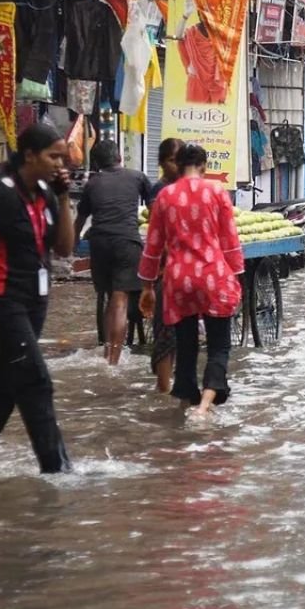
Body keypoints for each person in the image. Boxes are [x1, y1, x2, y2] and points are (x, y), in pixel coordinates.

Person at [0, 123, 75, 474]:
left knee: (5, 385)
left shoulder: (45, 194)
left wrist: (64, 196)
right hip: (1, 301)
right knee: (36, 380)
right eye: (53, 156)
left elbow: (64, 247)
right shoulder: (0, 194)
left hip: (34, 302)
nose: (59, 163)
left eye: (62, 157)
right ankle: (58, 469)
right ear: (30, 155)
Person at [138, 144, 245, 417]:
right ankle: (205, 406)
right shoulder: (217, 193)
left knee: (186, 346)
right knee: (219, 345)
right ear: (204, 166)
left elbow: (153, 247)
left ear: (179, 165)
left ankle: (186, 403)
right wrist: (235, 277)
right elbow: (229, 240)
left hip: (177, 280)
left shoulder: (165, 196)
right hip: (212, 275)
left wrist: (148, 286)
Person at [75, 140, 152, 366]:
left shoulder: (93, 183)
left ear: (97, 163)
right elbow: (155, 210)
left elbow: (80, 219)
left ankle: (109, 351)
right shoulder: (138, 177)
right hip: (127, 243)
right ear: (119, 156)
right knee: (120, 300)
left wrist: (71, 246)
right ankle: (113, 362)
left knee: (110, 298)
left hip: (99, 244)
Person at [148, 137, 183, 393]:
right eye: (172, 160)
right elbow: (157, 236)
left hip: (188, 271)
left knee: (183, 335)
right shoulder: (159, 192)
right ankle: (163, 389)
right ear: (162, 163)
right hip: (166, 271)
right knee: (165, 333)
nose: (177, 165)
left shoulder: (190, 190)